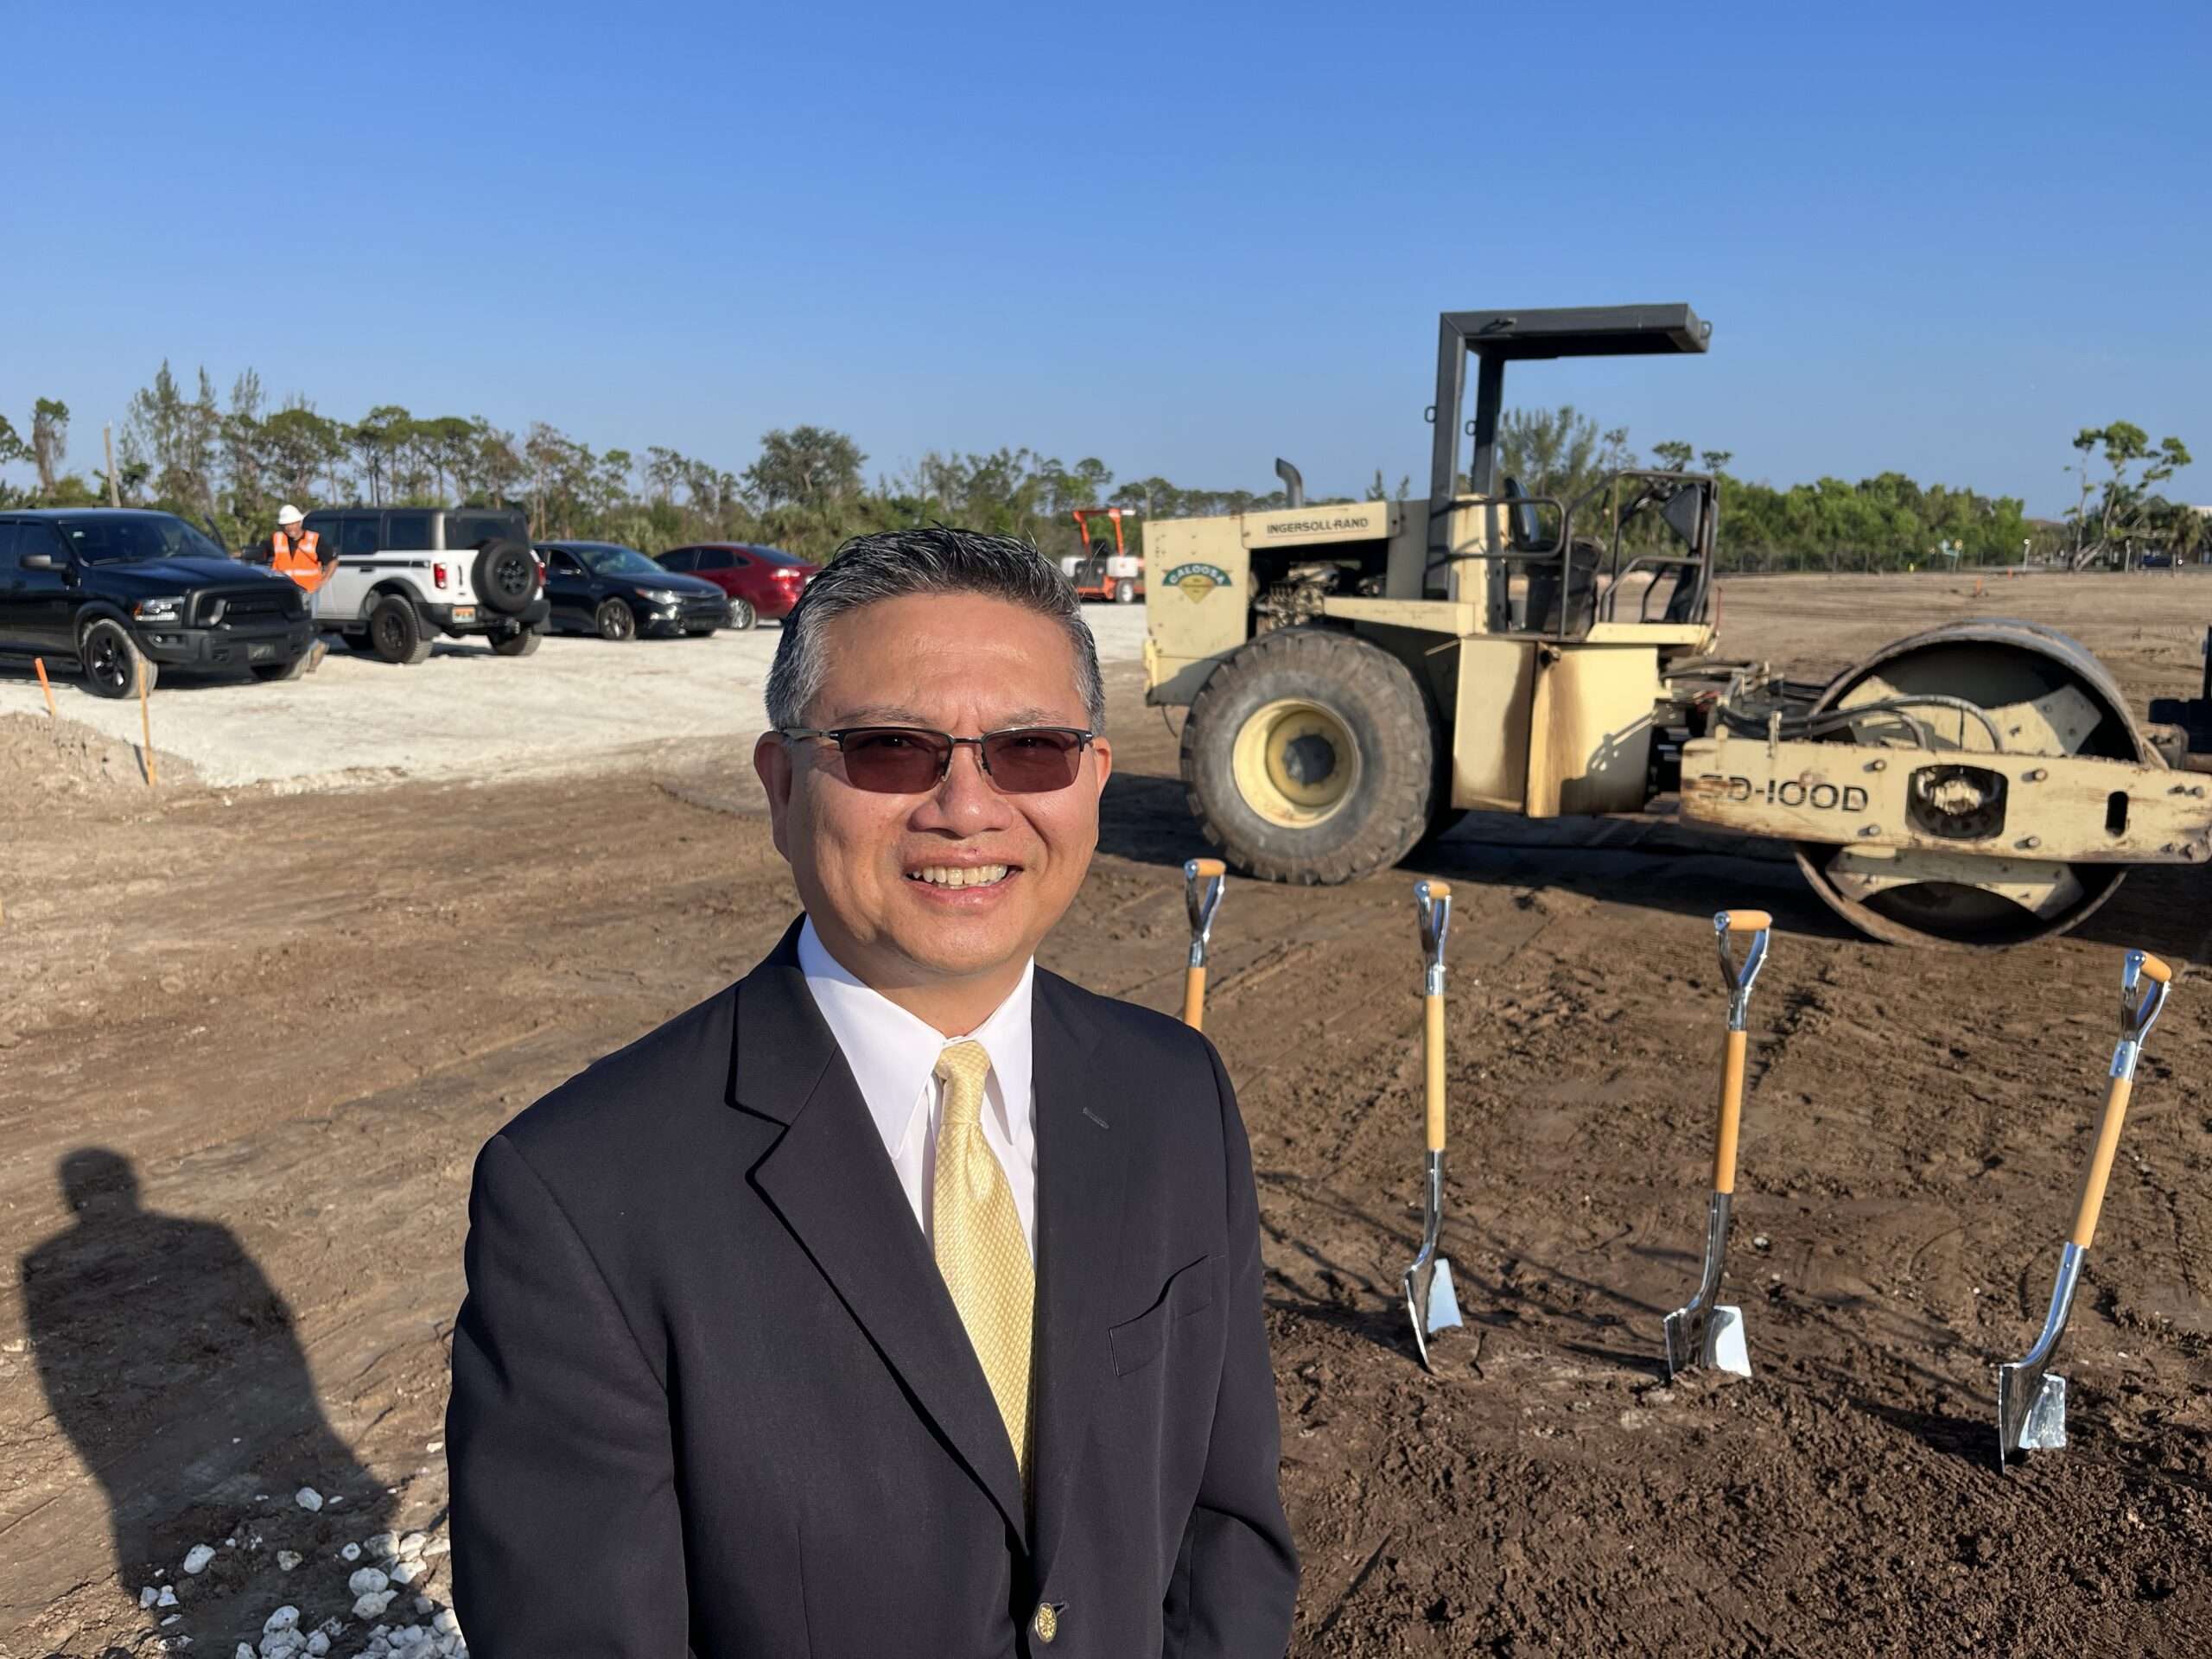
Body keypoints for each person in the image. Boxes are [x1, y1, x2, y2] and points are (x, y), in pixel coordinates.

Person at [447, 528, 1298, 1656]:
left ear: (1092, 780)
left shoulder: (1174, 1094)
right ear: (782, 781)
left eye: (1029, 748)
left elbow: (1225, 1529)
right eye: (892, 748)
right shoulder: (584, 1197)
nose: (966, 806)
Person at [249, 505, 337, 670]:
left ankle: (311, 651)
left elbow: (332, 560)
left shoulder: (315, 540)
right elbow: (259, 554)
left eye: (293, 523)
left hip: (309, 589)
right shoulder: (276, 540)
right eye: (286, 525)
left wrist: (325, 578)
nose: (290, 528)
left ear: (300, 522)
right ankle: (312, 650)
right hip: (285, 591)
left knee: (306, 624)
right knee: (288, 624)